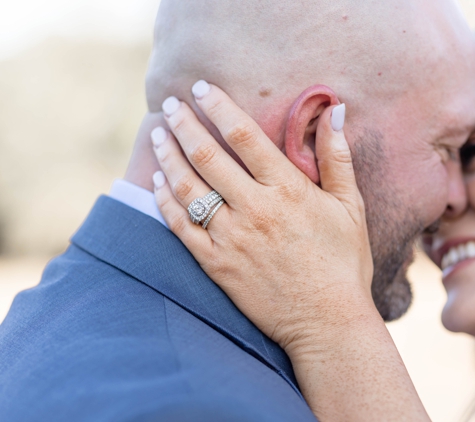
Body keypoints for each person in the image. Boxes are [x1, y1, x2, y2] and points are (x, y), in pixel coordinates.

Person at [1, 0, 474, 420]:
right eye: (450, 147)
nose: (458, 196)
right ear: (315, 135)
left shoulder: (53, 318)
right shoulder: (197, 406)